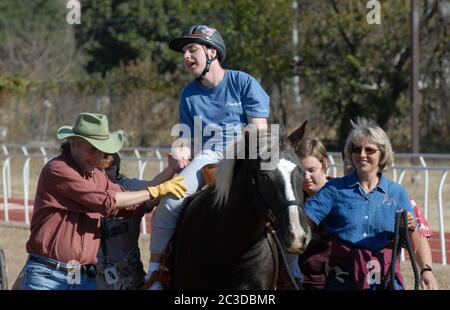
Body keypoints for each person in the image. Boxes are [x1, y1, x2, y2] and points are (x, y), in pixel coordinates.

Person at [147, 24, 270, 289]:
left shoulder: (243, 82)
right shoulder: (188, 95)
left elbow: (259, 131)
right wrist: (180, 150)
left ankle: (290, 275)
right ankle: (157, 272)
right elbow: (188, 139)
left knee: (280, 202)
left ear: (212, 52)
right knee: (168, 204)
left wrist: (239, 159)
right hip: (208, 157)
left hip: (245, 156)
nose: (186, 57)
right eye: (184, 52)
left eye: (192, 49)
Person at [20, 112, 186, 290]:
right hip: (49, 276)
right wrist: (154, 191)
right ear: (74, 144)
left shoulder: (96, 176)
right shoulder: (57, 169)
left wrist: (170, 172)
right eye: (92, 149)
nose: (98, 157)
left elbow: (130, 204)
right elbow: (106, 201)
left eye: (101, 151)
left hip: (81, 278)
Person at [304, 117, 436, 290]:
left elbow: (416, 240)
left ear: (382, 154)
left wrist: (426, 270)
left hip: (387, 281)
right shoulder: (333, 190)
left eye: (369, 150)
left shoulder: (397, 193)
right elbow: (302, 223)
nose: (362, 155)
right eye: (357, 149)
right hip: (343, 282)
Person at [341, 152, 438, 290]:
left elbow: (418, 240)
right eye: (349, 162)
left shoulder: (397, 197)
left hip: (385, 279)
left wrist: (426, 270)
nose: (357, 167)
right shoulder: (330, 195)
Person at [96, 152, 179, 290]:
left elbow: (153, 186)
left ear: (117, 168)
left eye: (109, 169)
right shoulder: (84, 190)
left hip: (129, 277)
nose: (104, 175)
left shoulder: (128, 187)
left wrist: (172, 168)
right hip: (93, 277)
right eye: (99, 170)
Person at [295, 138, 332, 290]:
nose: (306, 177)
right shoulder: (292, 201)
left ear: (324, 164)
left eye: (311, 170)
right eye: (301, 171)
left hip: (333, 281)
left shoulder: (341, 195)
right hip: (297, 280)